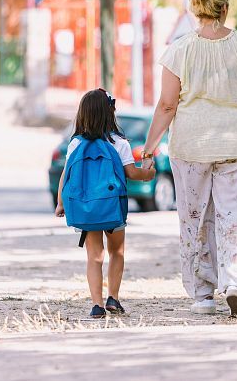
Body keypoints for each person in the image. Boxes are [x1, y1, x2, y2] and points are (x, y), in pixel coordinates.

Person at [140, 0, 237, 316]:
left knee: (194, 219)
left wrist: (149, 149)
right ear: (225, 7)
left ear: (195, 10)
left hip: (190, 148)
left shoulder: (178, 50)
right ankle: (235, 282)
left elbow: (166, 106)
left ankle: (202, 295)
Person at [55, 88, 155, 319]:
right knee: (117, 251)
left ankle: (96, 305)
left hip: (86, 207)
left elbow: (65, 175)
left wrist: (61, 203)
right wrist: (148, 172)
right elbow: (131, 172)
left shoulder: (75, 143)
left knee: (94, 256)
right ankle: (113, 298)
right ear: (110, 113)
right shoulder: (119, 143)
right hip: (112, 206)